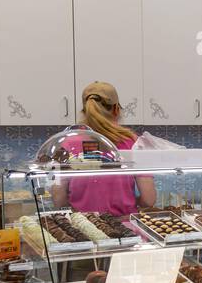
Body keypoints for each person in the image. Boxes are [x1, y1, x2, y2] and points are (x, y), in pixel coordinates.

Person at [52, 81, 157, 214]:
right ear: (116, 109)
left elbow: (58, 197)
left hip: (84, 227)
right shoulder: (133, 142)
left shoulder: (65, 143)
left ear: (84, 111)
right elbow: (149, 199)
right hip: (125, 225)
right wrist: (131, 206)